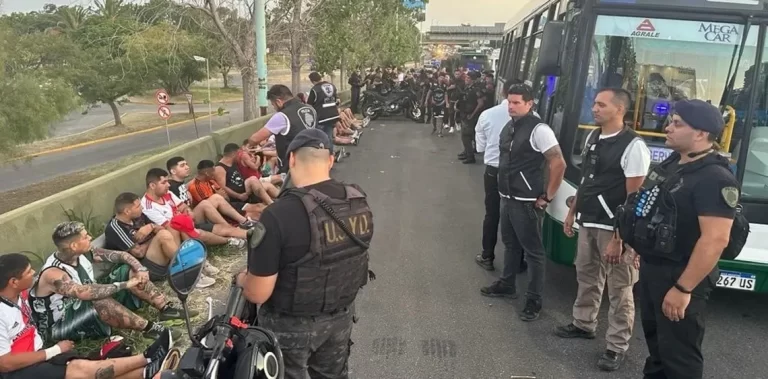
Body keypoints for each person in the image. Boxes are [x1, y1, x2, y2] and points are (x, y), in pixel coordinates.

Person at [615, 99, 740, 379]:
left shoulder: (715, 178)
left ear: (701, 133)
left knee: (679, 357)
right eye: (670, 121)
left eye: (677, 124)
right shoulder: (675, 163)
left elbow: (715, 239)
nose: (667, 128)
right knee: (658, 348)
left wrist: (683, 289)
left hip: (681, 274)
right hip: (655, 269)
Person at [237, 128, 374, 379]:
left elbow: (257, 293)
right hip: (340, 317)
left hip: (289, 325)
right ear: (330, 160)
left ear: (291, 159)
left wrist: (242, 279)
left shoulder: (278, 215)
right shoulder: (357, 200)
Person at [554, 88, 651, 371]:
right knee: (586, 276)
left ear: (619, 109)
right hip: (589, 220)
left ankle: (616, 346)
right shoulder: (593, 137)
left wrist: (620, 238)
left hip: (614, 229)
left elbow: (633, 198)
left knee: (620, 289)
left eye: (601, 104)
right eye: (595, 103)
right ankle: (583, 323)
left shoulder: (633, 146)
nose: (594, 108)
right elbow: (586, 180)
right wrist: (572, 212)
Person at [0, 253, 173, 379]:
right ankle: (148, 357)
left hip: (36, 354)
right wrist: (54, 350)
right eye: (28, 272)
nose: (34, 273)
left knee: (87, 368)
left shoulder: (20, 295)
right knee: (78, 368)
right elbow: (5, 363)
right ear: (13, 282)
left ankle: (146, 373)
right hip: (15, 370)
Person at [479, 83, 566, 321]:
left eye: (517, 102)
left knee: (533, 252)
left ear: (530, 104)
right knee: (510, 244)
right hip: (507, 196)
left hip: (527, 201)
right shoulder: (510, 126)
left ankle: (534, 300)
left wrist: (547, 196)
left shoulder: (539, 130)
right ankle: (507, 284)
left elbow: (558, 163)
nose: (511, 106)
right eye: (509, 102)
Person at [29, 222, 184, 342]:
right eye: (85, 237)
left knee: (127, 270)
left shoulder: (81, 253)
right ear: (74, 245)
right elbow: (85, 293)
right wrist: (126, 285)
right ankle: (150, 329)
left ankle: (166, 308)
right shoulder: (53, 273)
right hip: (59, 327)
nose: (90, 237)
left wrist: (140, 268)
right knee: (99, 298)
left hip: (84, 306)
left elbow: (122, 255)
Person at [474, 79, 527, 273]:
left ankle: (487, 256)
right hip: (519, 173)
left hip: (494, 171)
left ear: (503, 91)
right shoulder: (534, 118)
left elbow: (480, 146)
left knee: (492, 214)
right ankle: (517, 262)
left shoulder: (487, 114)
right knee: (517, 216)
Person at [143, 167, 247, 252]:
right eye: (164, 182)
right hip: (179, 232)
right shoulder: (148, 206)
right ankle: (228, 240)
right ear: (152, 185)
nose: (168, 185)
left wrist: (188, 211)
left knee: (205, 204)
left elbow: (183, 206)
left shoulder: (167, 193)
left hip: (186, 222)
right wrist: (186, 217)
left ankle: (246, 232)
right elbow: (170, 227)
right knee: (201, 233)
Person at [166, 157, 259, 230]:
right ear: (173, 171)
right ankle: (231, 228)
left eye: (186, 164)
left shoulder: (182, 184)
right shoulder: (169, 187)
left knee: (216, 197)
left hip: (193, 214)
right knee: (209, 201)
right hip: (185, 219)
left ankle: (244, 222)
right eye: (182, 165)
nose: (187, 167)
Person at [248, 84, 318, 173]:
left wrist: (248, 146)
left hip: (293, 165)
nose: (274, 108)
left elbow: (254, 139)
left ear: (278, 102)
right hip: (313, 158)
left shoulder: (282, 116)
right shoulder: (311, 109)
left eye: (273, 105)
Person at [307, 72, 341, 157]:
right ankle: (330, 155)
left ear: (312, 81)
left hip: (321, 117)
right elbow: (337, 100)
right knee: (329, 137)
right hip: (333, 116)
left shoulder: (315, 89)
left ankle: (321, 157)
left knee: (319, 138)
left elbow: (309, 104)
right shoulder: (332, 86)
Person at [458, 71, 487, 164]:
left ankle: (470, 156)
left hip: (470, 115)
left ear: (473, 80)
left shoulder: (476, 90)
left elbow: (480, 103)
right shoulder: (467, 88)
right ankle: (466, 152)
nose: (466, 79)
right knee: (464, 136)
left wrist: (472, 114)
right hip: (464, 114)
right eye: (466, 78)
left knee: (466, 136)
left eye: (468, 78)